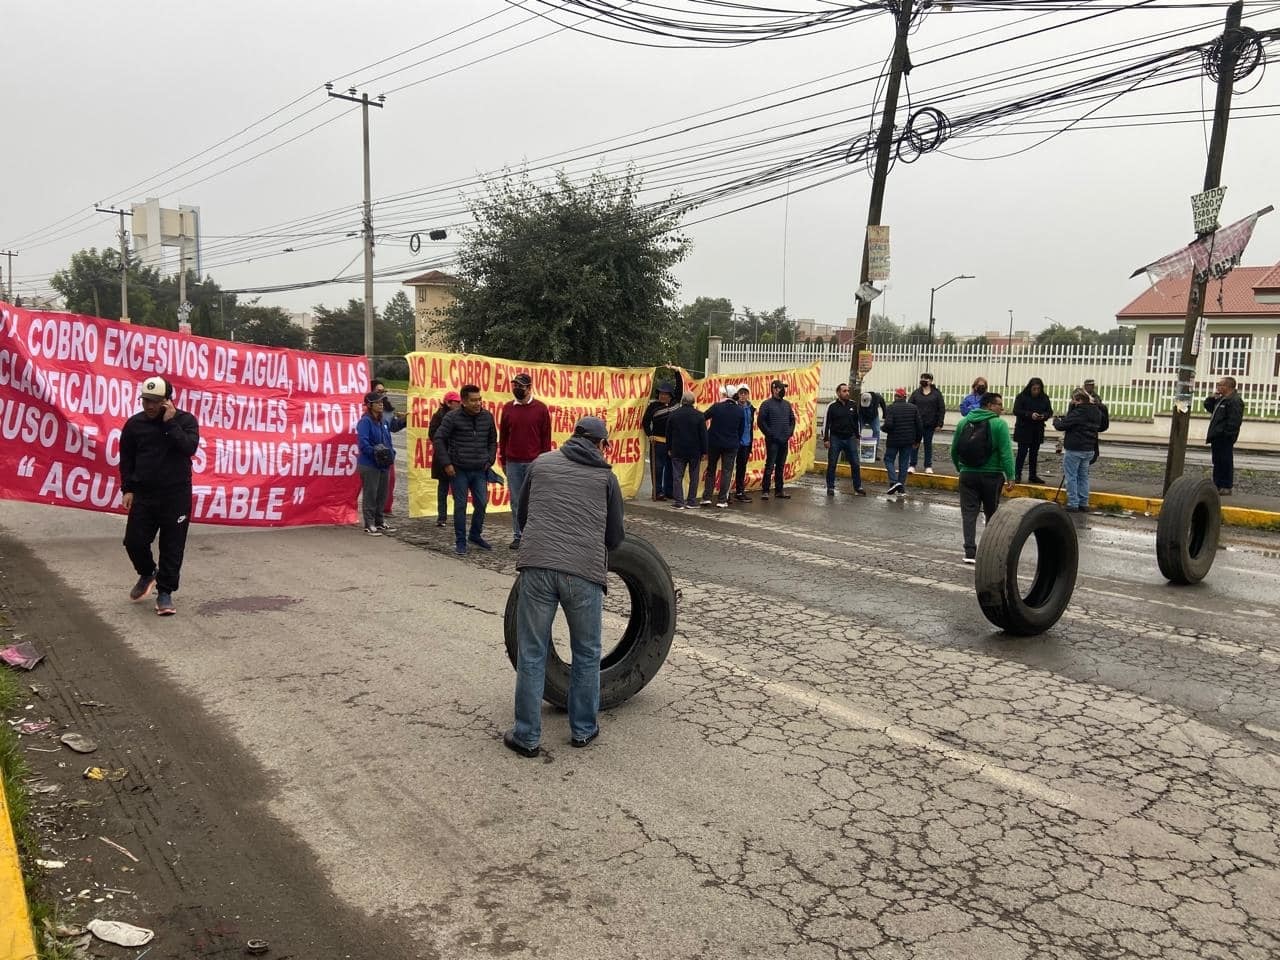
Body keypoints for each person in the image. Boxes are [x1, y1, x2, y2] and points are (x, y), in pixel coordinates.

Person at [505, 415, 625, 758]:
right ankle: (583, 730)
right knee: (587, 653)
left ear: (573, 436)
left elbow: (524, 514)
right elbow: (615, 538)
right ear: (601, 444)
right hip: (583, 574)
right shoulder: (606, 477)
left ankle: (526, 736)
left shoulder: (541, 463)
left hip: (537, 567)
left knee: (532, 652)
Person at [119, 375, 201, 616]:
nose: (150, 406)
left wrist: (170, 423)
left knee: (172, 546)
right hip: (144, 494)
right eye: (146, 401)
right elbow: (127, 460)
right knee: (134, 542)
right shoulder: (134, 425)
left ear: (167, 401)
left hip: (176, 495)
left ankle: (165, 593)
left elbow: (189, 447)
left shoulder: (185, 421)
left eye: (155, 401)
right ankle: (147, 573)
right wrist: (128, 489)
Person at [951, 392, 1015, 563]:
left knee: (969, 514)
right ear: (988, 405)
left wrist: (961, 468)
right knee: (991, 514)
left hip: (967, 475)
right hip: (992, 475)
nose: (1002, 408)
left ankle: (969, 551)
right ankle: (989, 552)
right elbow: (1006, 453)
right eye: (999, 404)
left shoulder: (964, 422)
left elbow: (954, 450)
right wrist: (1011, 476)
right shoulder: (999, 424)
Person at [433, 384, 498, 554]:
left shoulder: (487, 417)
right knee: (460, 506)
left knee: (482, 503)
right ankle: (460, 541)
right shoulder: (452, 418)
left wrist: (490, 459)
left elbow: (493, 441)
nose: (478, 403)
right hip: (458, 470)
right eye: (473, 400)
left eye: (479, 400)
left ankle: (475, 535)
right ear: (463, 401)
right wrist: (447, 463)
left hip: (480, 470)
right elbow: (439, 439)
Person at [499, 372, 552, 549]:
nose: (517, 389)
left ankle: (534, 536)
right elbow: (504, 436)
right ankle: (518, 535)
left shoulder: (541, 409)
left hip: (534, 462)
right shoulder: (507, 408)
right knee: (516, 501)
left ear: (529, 388)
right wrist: (503, 460)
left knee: (534, 500)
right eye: (515, 386)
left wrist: (544, 462)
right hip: (513, 462)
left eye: (521, 386)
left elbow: (546, 438)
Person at [1053, 389, 1103, 513]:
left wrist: (1056, 420)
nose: (1073, 402)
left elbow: (1062, 426)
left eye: (1074, 400)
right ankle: (1084, 502)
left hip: (1075, 448)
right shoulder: (1096, 411)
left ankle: (1073, 503)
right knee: (1083, 476)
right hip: (1089, 448)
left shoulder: (1079, 411)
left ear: (1079, 400)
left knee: (1071, 476)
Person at [355, 390, 397, 537]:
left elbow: (388, 440)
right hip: (369, 464)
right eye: (378, 402)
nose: (381, 405)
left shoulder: (383, 421)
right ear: (369, 405)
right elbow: (363, 443)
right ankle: (369, 523)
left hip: (384, 463)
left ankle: (379, 521)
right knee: (370, 494)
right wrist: (375, 453)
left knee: (382, 494)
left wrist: (391, 454)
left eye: (381, 402)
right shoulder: (365, 421)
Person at [701, 385, 741, 508]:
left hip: (714, 443)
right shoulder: (740, 410)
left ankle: (707, 497)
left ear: (725, 395)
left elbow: (702, 417)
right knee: (726, 472)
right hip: (731, 444)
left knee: (711, 470)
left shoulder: (716, 407)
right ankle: (722, 500)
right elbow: (741, 429)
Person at [371, 380, 407, 515]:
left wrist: (404, 420)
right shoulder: (365, 412)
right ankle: (371, 511)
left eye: (384, 391)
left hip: (386, 454)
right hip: (371, 452)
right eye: (379, 391)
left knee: (389, 482)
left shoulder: (387, 410)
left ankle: (385, 509)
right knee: (372, 484)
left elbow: (393, 427)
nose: (382, 394)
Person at [666, 390, 707, 509]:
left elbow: (668, 433)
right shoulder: (699, 415)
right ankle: (691, 501)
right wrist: (704, 451)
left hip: (678, 450)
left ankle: (679, 502)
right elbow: (703, 435)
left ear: (682, 401)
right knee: (694, 476)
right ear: (693, 401)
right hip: (695, 451)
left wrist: (669, 447)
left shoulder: (673, 414)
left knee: (677, 476)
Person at [1204, 376, 1245, 495]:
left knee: (1225, 461)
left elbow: (1234, 420)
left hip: (1224, 437)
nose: (1218, 387)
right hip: (1217, 436)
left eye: (1220, 385)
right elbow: (1209, 407)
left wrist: (1227, 434)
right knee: (1217, 461)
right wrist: (1212, 397)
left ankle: (1226, 485)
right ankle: (1217, 484)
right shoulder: (1221, 399)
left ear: (1228, 386)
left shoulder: (1234, 401)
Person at [823, 383, 865, 496]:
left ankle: (858, 487)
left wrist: (857, 436)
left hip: (850, 438)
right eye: (844, 391)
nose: (847, 393)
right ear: (838, 393)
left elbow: (857, 422)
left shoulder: (853, 405)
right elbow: (826, 423)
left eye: (848, 391)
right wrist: (826, 439)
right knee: (832, 463)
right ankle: (830, 487)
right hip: (835, 438)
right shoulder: (831, 406)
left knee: (855, 463)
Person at [758, 379, 796, 500]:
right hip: (772, 441)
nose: (783, 390)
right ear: (774, 389)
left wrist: (789, 433)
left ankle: (779, 491)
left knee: (781, 466)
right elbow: (761, 422)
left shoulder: (787, 404)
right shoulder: (766, 404)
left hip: (784, 441)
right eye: (781, 388)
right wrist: (771, 434)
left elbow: (792, 420)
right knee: (770, 465)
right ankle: (765, 491)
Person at [427, 391, 462, 527]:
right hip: (443, 458)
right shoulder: (438, 416)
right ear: (448, 402)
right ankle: (442, 517)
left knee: (458, 489)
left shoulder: (460, 416)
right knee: (443, 489)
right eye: (456, 402)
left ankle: (458, 516)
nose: (459, 404)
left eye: (459, 402)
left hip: (457, 457)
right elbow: (433, 435)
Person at [882, 387, 922, 496]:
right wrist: (917, 440)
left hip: (893, 441)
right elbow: (919, 426)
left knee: (888, 459)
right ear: (905, 397)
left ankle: (894, 481)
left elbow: (888, 425)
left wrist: (883, 428)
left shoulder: (891, 408)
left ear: (895, 396)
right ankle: (901, 487)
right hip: (908, 441)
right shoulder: (913, 408)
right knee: (904, 463)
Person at [1012, 378, 1053, 484]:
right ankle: (1017, 474)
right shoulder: (1022, 397)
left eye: (1038, 389)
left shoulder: (1044, 398)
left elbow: (1049, 411)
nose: (1036, 391)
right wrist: (1030, 414)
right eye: (1034, 389)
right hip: (1024, 428)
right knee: (1022, 453)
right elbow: (1016, 410)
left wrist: (1043, 416)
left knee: (1034, 453)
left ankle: (1032, 475)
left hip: (1037, 429)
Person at [643, 381, 678, 502]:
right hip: (658, 442)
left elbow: (680, 386)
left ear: (670, 395)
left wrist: (676, 371)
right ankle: (658, 492)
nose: (662, 396)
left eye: (665, 394)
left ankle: (669, 491)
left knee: (671, 468)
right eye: (661, 393)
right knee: (658, 468)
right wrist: (650, 435)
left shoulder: (675, 404)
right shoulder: (653, 407)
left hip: (673, 443)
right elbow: (645, 422)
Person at [907, 372, 946, 475]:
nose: (924, 380)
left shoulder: (936, 394)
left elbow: (941, 409)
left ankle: (928, 466)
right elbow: (910, 406)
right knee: (915, 444)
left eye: (926, 378)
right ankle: (912, 465)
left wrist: (939, 423)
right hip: (916, 424)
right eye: (922, 378)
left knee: (928, 445)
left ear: (931, 381)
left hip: (930, 424)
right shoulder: (916, 393)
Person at [732, 384, 755, 503]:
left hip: (746, 443)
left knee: (742, 468)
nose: (743, 395)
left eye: (745, 393)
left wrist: (750, 443)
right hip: (735, 442)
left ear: (748, 395)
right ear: (737, 394)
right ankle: (726, 492)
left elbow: (750, 427)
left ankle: (740, 491)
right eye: (741, 393)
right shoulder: (734, 407)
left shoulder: (751, 408)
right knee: (730, 468)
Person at [1081, 378, 1110, 464]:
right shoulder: (1080, 396)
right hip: (1082, 427)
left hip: (1092, 428)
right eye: (1089, 385)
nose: (1091, 387)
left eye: (1092, 385)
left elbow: (1100, 409)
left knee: (1092, 454)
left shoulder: (1096, 397)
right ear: (1085, 386)